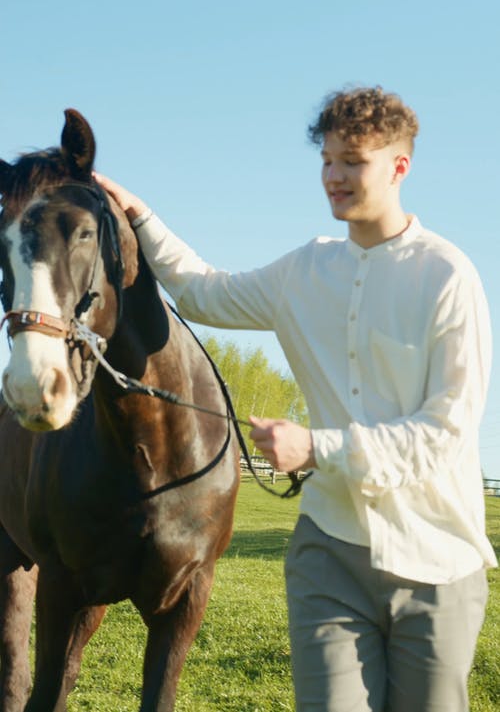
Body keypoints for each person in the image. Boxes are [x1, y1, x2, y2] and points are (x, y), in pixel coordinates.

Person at [95, 86, 496, 712]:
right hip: (328, 552)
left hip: (435, 561)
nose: (334, 177)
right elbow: (204, 292)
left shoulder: (448, 277)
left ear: (399, 167)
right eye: (327, 160)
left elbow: (445, 432)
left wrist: (316, 445)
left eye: (353, 162)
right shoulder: (305, 271)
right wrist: (140, 216)